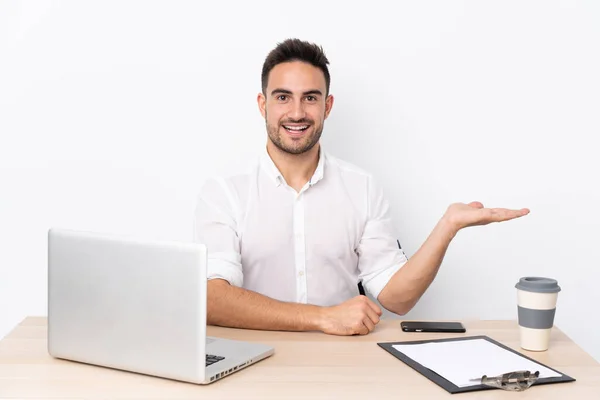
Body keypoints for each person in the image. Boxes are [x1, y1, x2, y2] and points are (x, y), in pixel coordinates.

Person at [194, 38, 529, 336]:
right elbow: (212, 300)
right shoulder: (224, 191)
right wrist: (321, 318)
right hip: (252, 360)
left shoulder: (362, 187)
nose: (297, 113)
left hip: (343, 361)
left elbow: (397, 298)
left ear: (327, 106)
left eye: (310, 98)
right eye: (283, 97)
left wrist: (447, 227)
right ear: (262, 104)